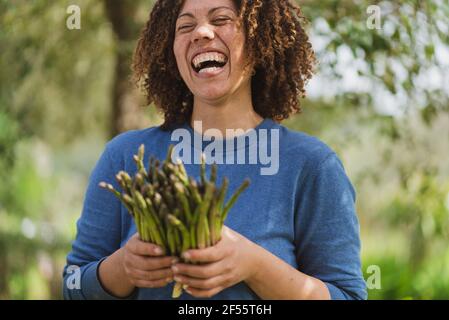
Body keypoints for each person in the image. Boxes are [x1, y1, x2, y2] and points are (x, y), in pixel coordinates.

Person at [63, 0, 367, 300]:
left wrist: (254, 265)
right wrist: (121, 269)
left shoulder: (312, 166)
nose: (202, 32)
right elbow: (72, 286)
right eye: (185, 26)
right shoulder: (125, 156)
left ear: (258, 37)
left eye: (221, 19)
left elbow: (348, 296)